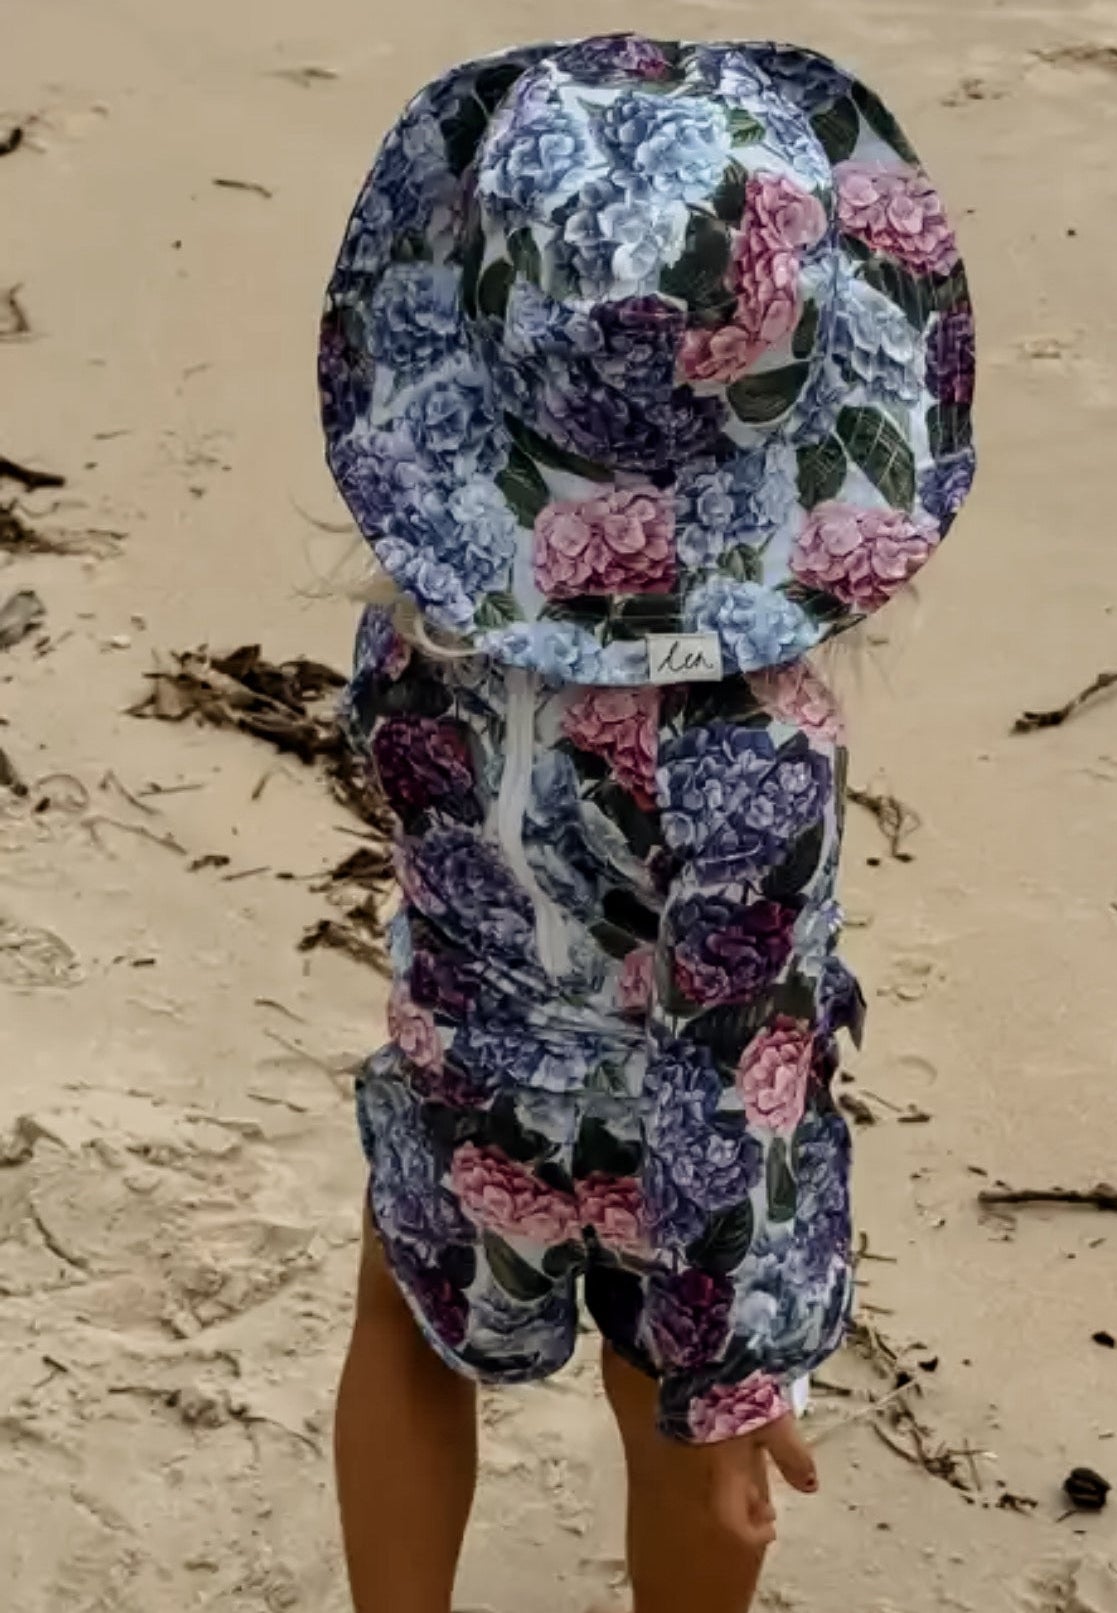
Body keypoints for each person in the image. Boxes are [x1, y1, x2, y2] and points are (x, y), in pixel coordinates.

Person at [319, 32, 975, 1613]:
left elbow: (426, 840)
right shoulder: (761, 755)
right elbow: (729, 1072)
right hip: (668, 1156)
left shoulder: (416, 637)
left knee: (404, 1341)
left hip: (458, 1064)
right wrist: (736, 1380)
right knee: (685, 1457)